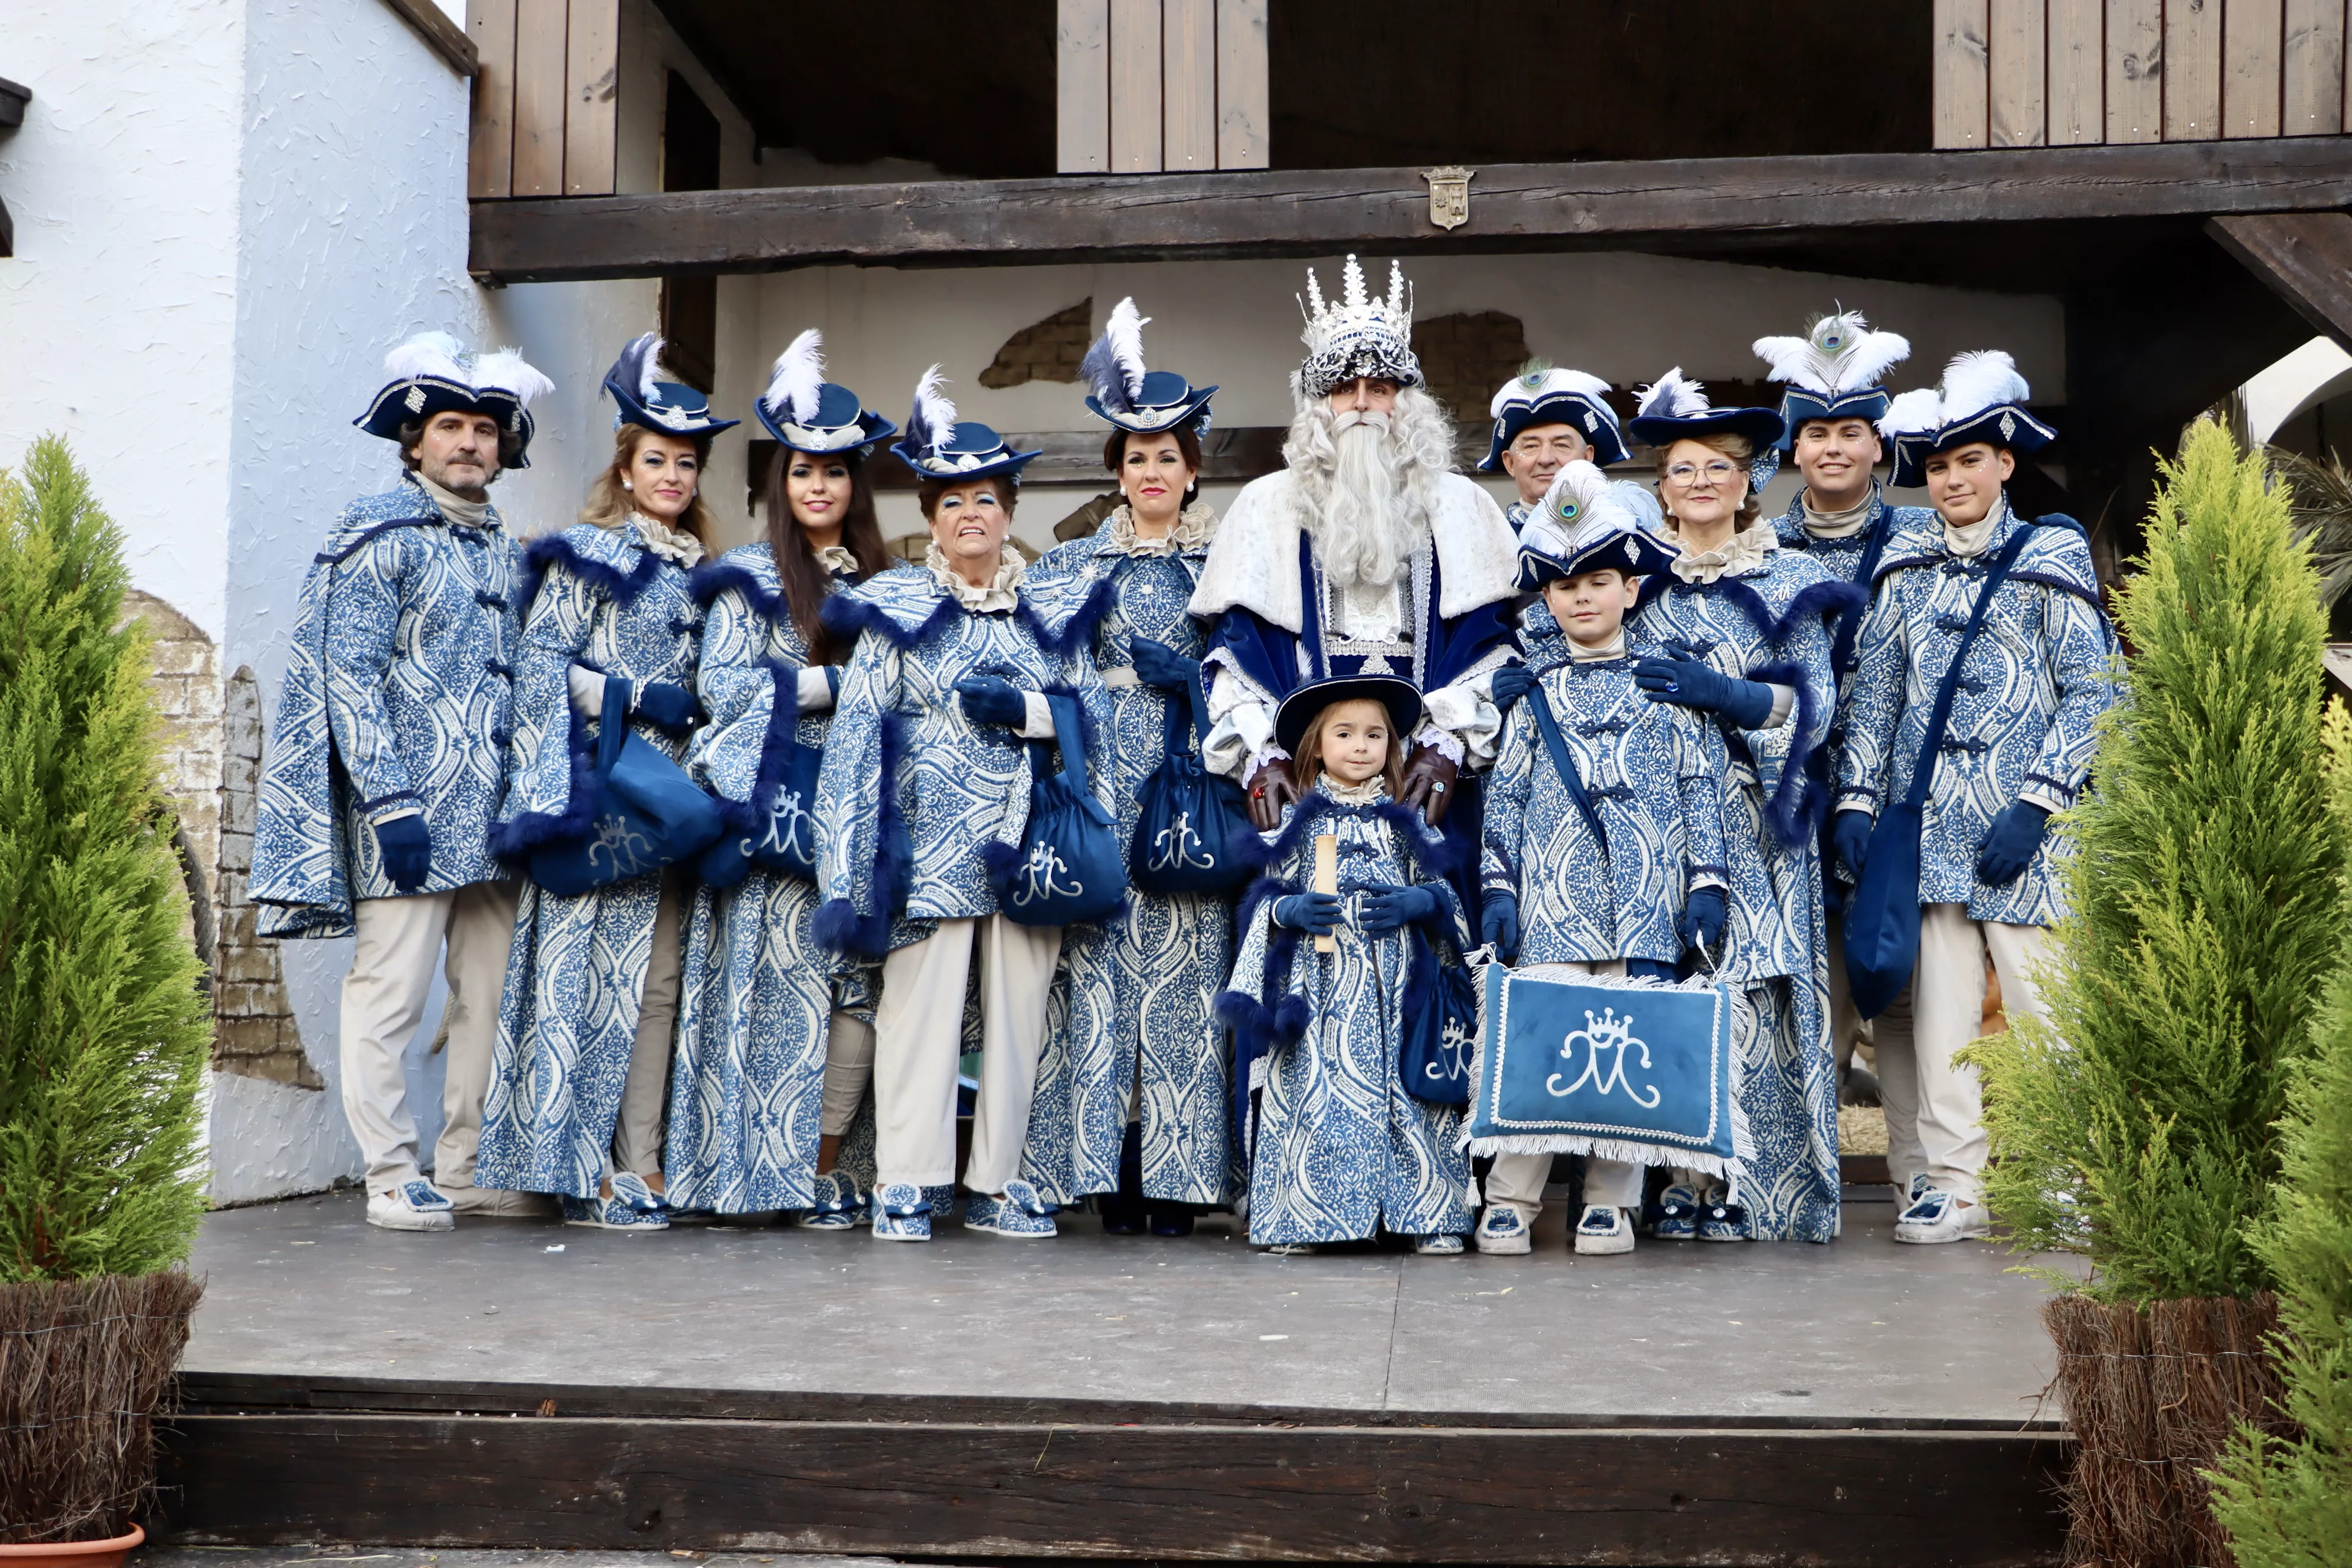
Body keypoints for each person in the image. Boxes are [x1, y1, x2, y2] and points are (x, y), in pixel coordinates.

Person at [251, 332, 551, 1232]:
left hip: (496, 824)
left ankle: (462, 1166)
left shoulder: (507, 554)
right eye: (451, 427)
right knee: (388, 995)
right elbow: (349, 676)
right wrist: (389, 803)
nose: (469, 443)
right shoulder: (377, 535)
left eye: (485, 430)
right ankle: (390, 1172)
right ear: (414, 442)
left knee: (488, 1001)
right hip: (410, 819)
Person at [811, 370, 1109, 1243]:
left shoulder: (1049, 610)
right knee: (918, 1016)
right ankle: (906, 1182)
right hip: (925, 843)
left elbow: (1090, 717)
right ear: (932, 517)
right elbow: (857, 734)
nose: (970, 516)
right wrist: (847, 861)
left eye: (987, 499)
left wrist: (1028, 714)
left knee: (1019, 1019)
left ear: (1009, 511)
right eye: (952, 503)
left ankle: (999, 1182)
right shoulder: (895, 606)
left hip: (1028, 843)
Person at [1835, 351, 2117, 1243]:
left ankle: (2078, 1176)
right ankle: (1957, 1184)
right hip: (1929, 833)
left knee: (2048, 1014)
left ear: (2004, 463)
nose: (1953, 479)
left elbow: (2098, 689)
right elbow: (1876, 694)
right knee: (1944, 1022)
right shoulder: (1907, 559)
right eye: (1939, 466)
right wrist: (1854, 801)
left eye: (1970, 461)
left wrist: (2038, 803)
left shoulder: (2053, 550)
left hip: (2029, 835)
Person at [475, 334, 736, 1231]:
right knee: (587, 983)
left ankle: (643, 1163)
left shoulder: (711, 572)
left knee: (660, 985)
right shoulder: (585, 552)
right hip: (603, 792)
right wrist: (630, 695)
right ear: (626, 469)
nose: (672, 476)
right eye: (656, 460)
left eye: (686, 464)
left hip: (677, 800)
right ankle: (578, 1172)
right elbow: (541, 660)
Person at [1189, 257, 1520, 890]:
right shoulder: (1266, 504)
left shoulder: (1462, 505)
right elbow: (1235, 657)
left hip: (1428, 787)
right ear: (1319, 404)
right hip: (1305, 786)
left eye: (1381, 387)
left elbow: (1493, 646)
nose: (1363, 403)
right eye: (1345, 388)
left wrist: (1448, 741)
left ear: (1407, 402)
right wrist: (1263, 752)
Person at [667, 329, 896, 1221]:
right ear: (781, 483)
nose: (819, 488)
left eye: (836, 474)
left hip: (864, 821)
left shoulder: (891, 579)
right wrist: (832, 684)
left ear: (855, 486)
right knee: (763, 1001)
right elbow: (721, 687)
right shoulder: (746, 576)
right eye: (803, 473)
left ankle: (823, 1171)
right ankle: (742, 1176)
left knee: (855, 1001)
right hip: (777, 818)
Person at [1622, 369, 1855, 1244]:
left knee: (1755, 997)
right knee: (1680, 990)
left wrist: (1730, 696)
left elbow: (1818, 705)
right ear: (1663, 489)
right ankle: (1681, 1180)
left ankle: (1759, 1189)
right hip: (1666, 820)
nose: (1703, 482)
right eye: (1684, 469)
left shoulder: (1792, 574)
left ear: (1749, 480)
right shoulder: (1639, 581)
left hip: (1763, 819)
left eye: (1721, 466)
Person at [1474, 462, 1728, 1256]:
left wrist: (1706, 883)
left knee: (1629, 1050)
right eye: (1565, 586)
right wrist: (1500, 886)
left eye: (1599, 580)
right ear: (1547, 599)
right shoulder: (1532, 694)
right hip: (1551, 906)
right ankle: (1510, 1197)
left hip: (1647, 902)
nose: (1582, 596)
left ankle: (1609, 1202)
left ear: (1631, 588)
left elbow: (1700, 790)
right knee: (1543, 1043)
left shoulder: (1666, 686)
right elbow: (1504, 798)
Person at [1021, 299, 1233, 1233]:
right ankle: (1100, 1174)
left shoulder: (1232, 567)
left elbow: (1277, 684)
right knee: (1097, 982)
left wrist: (1197, 681)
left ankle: (1183, 1183)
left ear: (1193, 472)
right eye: (1137, 457)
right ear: (1118, 471)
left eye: (1169, 456)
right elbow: (1028, 668)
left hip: (1193, 787)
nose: (1153, 471)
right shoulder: (1068, 567)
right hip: (1100, 786)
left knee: (1187, 982)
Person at [1217, 677, 1474, 1255]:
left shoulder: (1407, 822)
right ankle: (1309, 1216)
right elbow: (1260, 900)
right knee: (1318, 1097)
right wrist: (1288, 909)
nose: (1361, 746)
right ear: (1316, 746)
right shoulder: (1292, 822)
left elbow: (1448, 899)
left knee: (1410, 1094)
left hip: (1399, 990)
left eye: (1375, 734)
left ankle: (1427, 1214)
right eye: (1345, 733)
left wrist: (1423, 900)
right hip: (1320, 991)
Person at [1752, 310, 1933, 1078]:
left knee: (1904, 997)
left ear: (1878, 445)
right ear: (1796, 447)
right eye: (1818, 435)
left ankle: (1925, 1182)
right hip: (1791, 797)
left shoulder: (1921, 544)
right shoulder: (1760, 548)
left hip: (1897, 799)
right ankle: (1816, 1187)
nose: (1833, 448)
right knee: (1812, 1001)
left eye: (1850, 433)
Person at [1479, 365, 1660, 537]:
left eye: (1562, 445)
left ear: (1588, 457)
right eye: (1531, 446)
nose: (1545, 459)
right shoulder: (1489, 540)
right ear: (1510, 463)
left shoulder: (1628, 532)